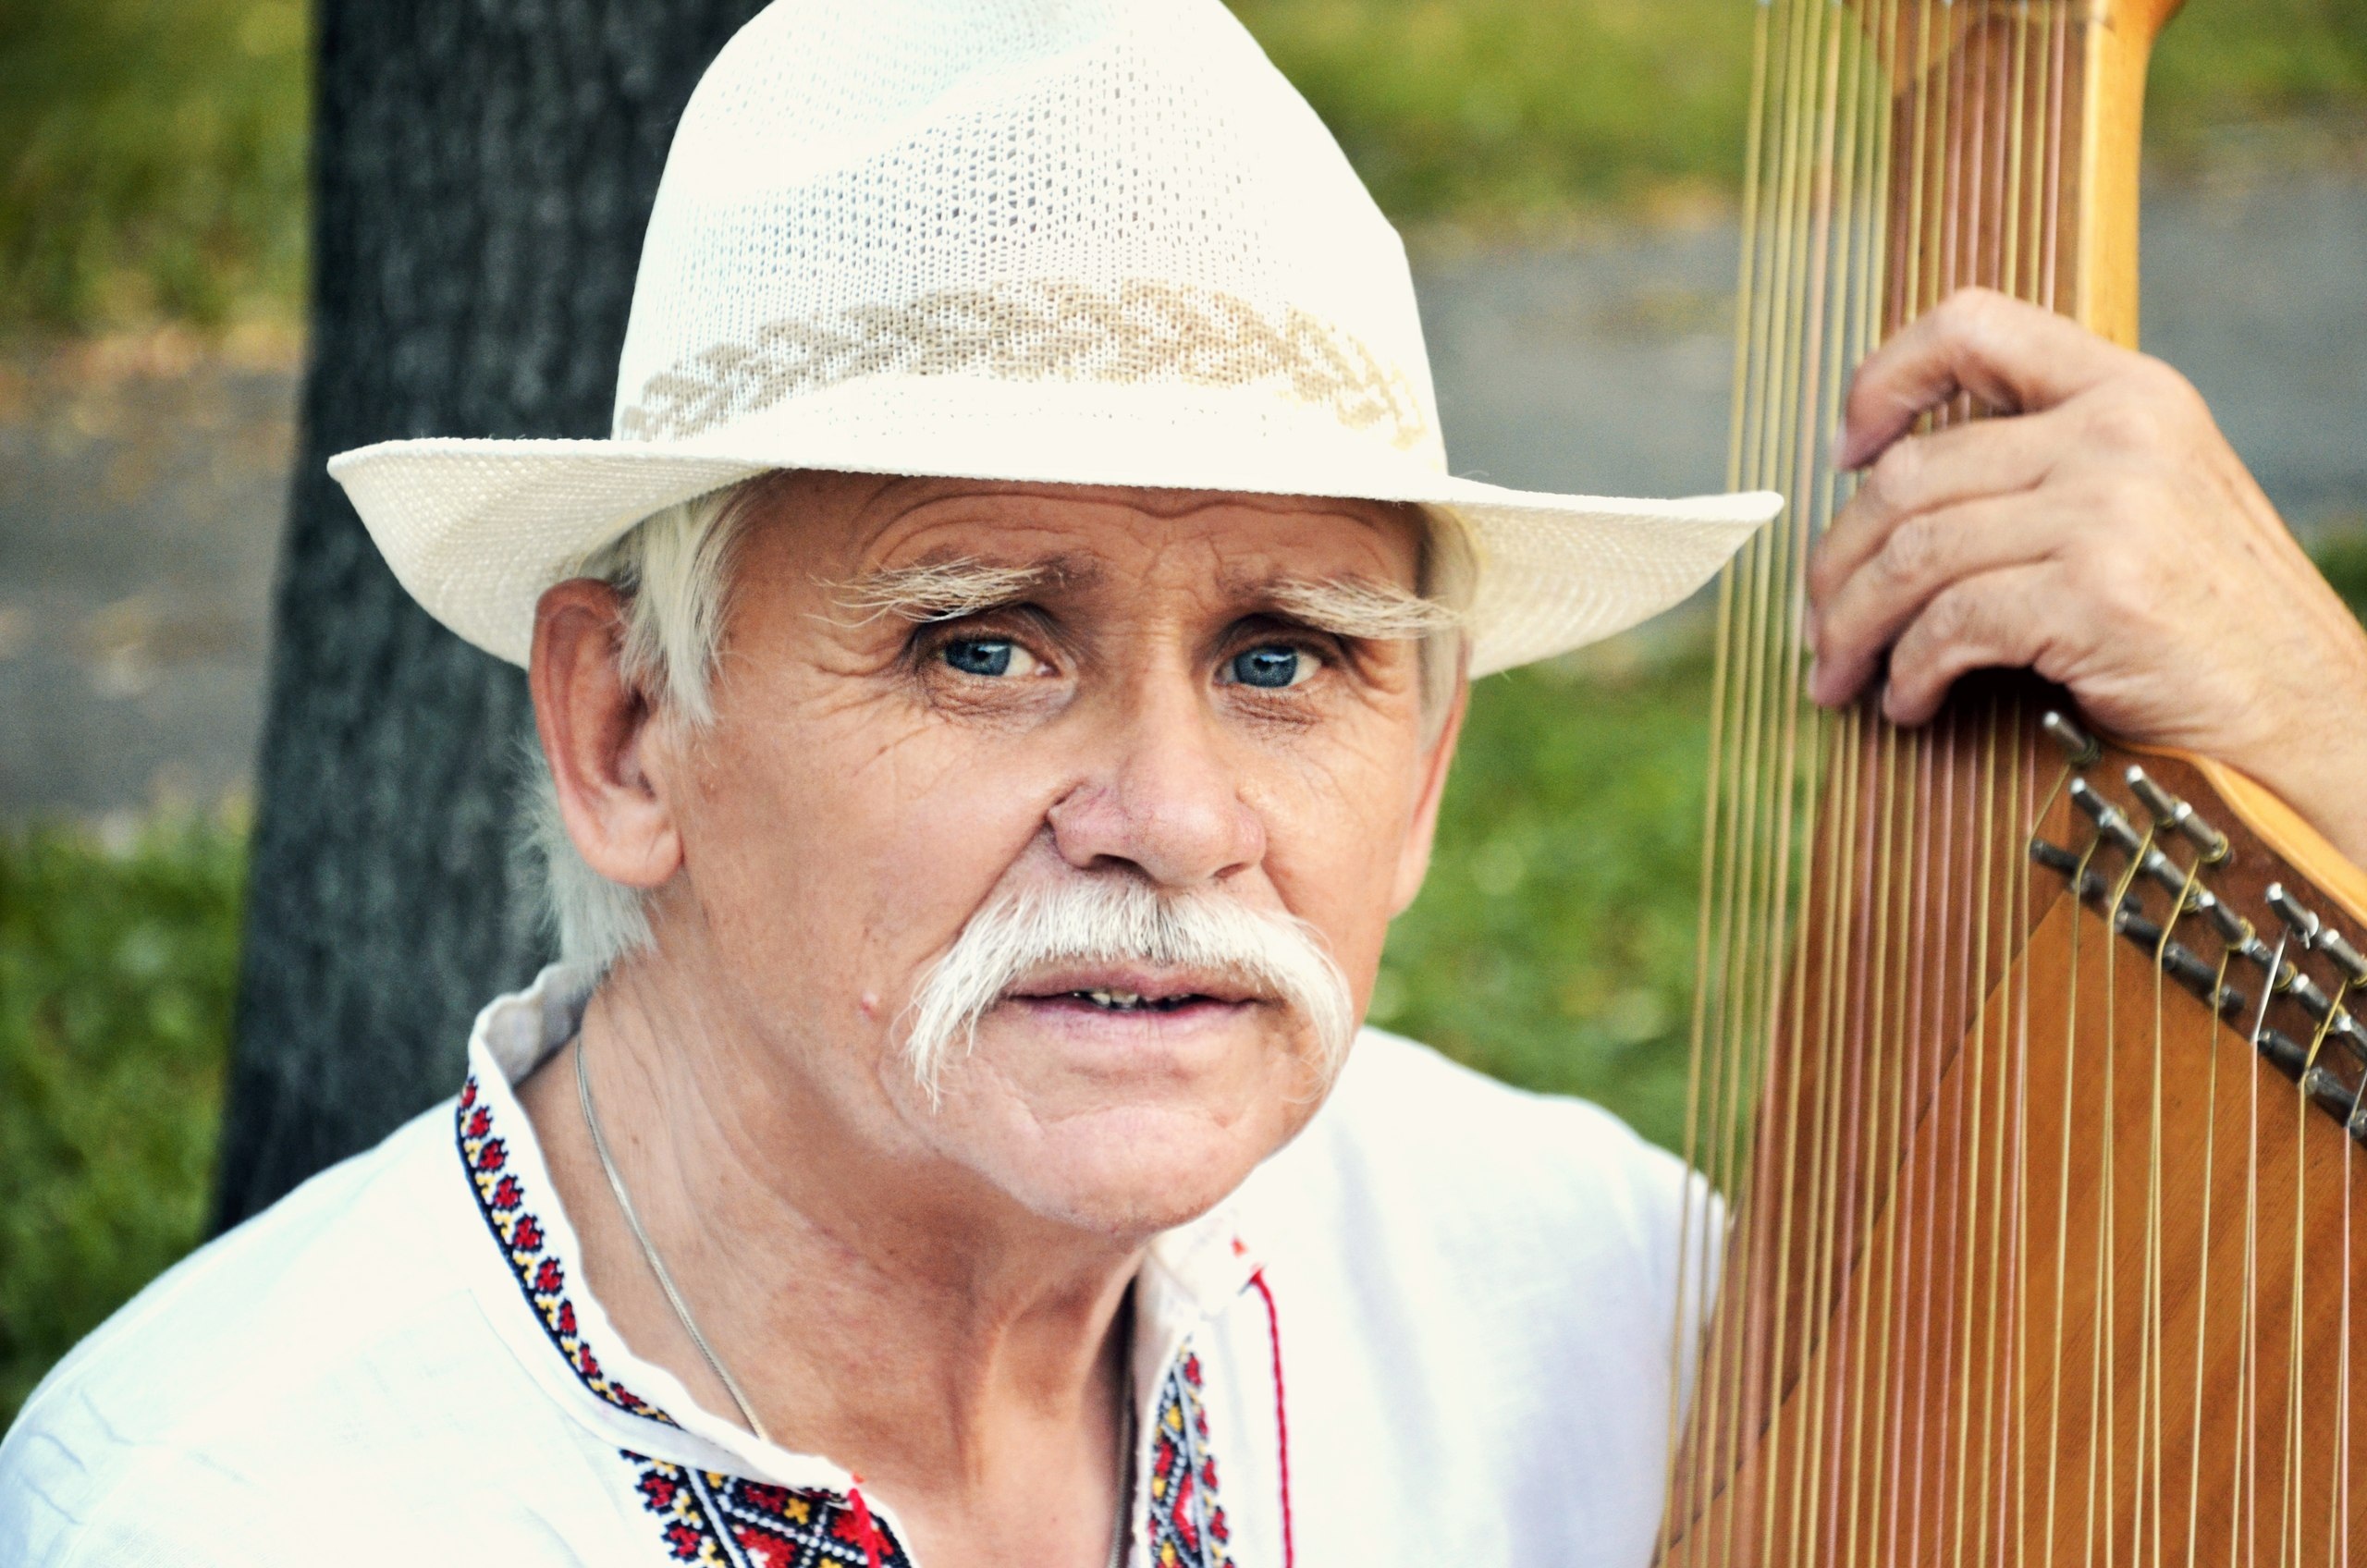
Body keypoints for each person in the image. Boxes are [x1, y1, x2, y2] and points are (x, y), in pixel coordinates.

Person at [5, 3, 2362, 1566]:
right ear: (630, 732)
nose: (1170, 806)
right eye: (983, 640)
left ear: (1424, 772)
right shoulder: (226, 1507)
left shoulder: (1589, 1300)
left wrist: (2331, 742)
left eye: (1281, 654)